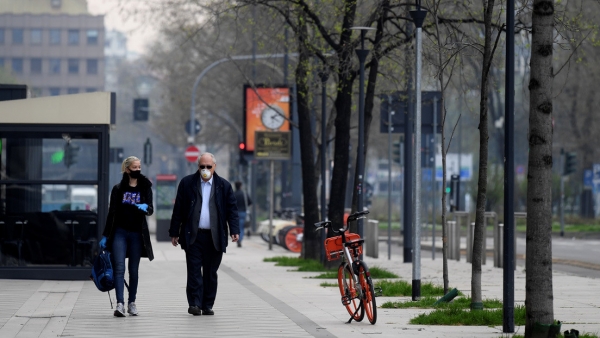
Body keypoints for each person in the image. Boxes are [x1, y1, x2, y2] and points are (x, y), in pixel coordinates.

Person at [169, 152, 239, 316]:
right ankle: (194, 303)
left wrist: (234, 230)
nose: (205, 169)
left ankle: (207, 304)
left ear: (214, 167)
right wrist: (174, 232)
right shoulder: (187, 183)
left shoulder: (224, 186)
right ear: (198, 167)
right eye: (202, 166)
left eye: (209, 166)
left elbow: (232, 210)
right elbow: (178, 209)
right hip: (193, 236)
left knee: (210, 272)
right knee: (194, 271)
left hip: (215, 237)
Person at [99, 156, 154, 317]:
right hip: (119, 232)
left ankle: (132, 303)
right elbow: (112, 214)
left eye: (139, 167)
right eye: (134, 167)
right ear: (127, 169)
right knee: (119, 268)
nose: (138, 170)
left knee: (134, 270)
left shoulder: (145, 187)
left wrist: (145, 207)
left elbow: (151, 210)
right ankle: (120, 304)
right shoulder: (118, 189)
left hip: (137, 234)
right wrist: (105, 236)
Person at [233, 181, 252, 247]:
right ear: (241, 186)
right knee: (241, 227)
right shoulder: (244, 194)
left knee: (235, 227)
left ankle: (236, 238)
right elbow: (250, 202)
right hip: (243, 212)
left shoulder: (233, 194)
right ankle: (239, 239)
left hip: (234, 213)